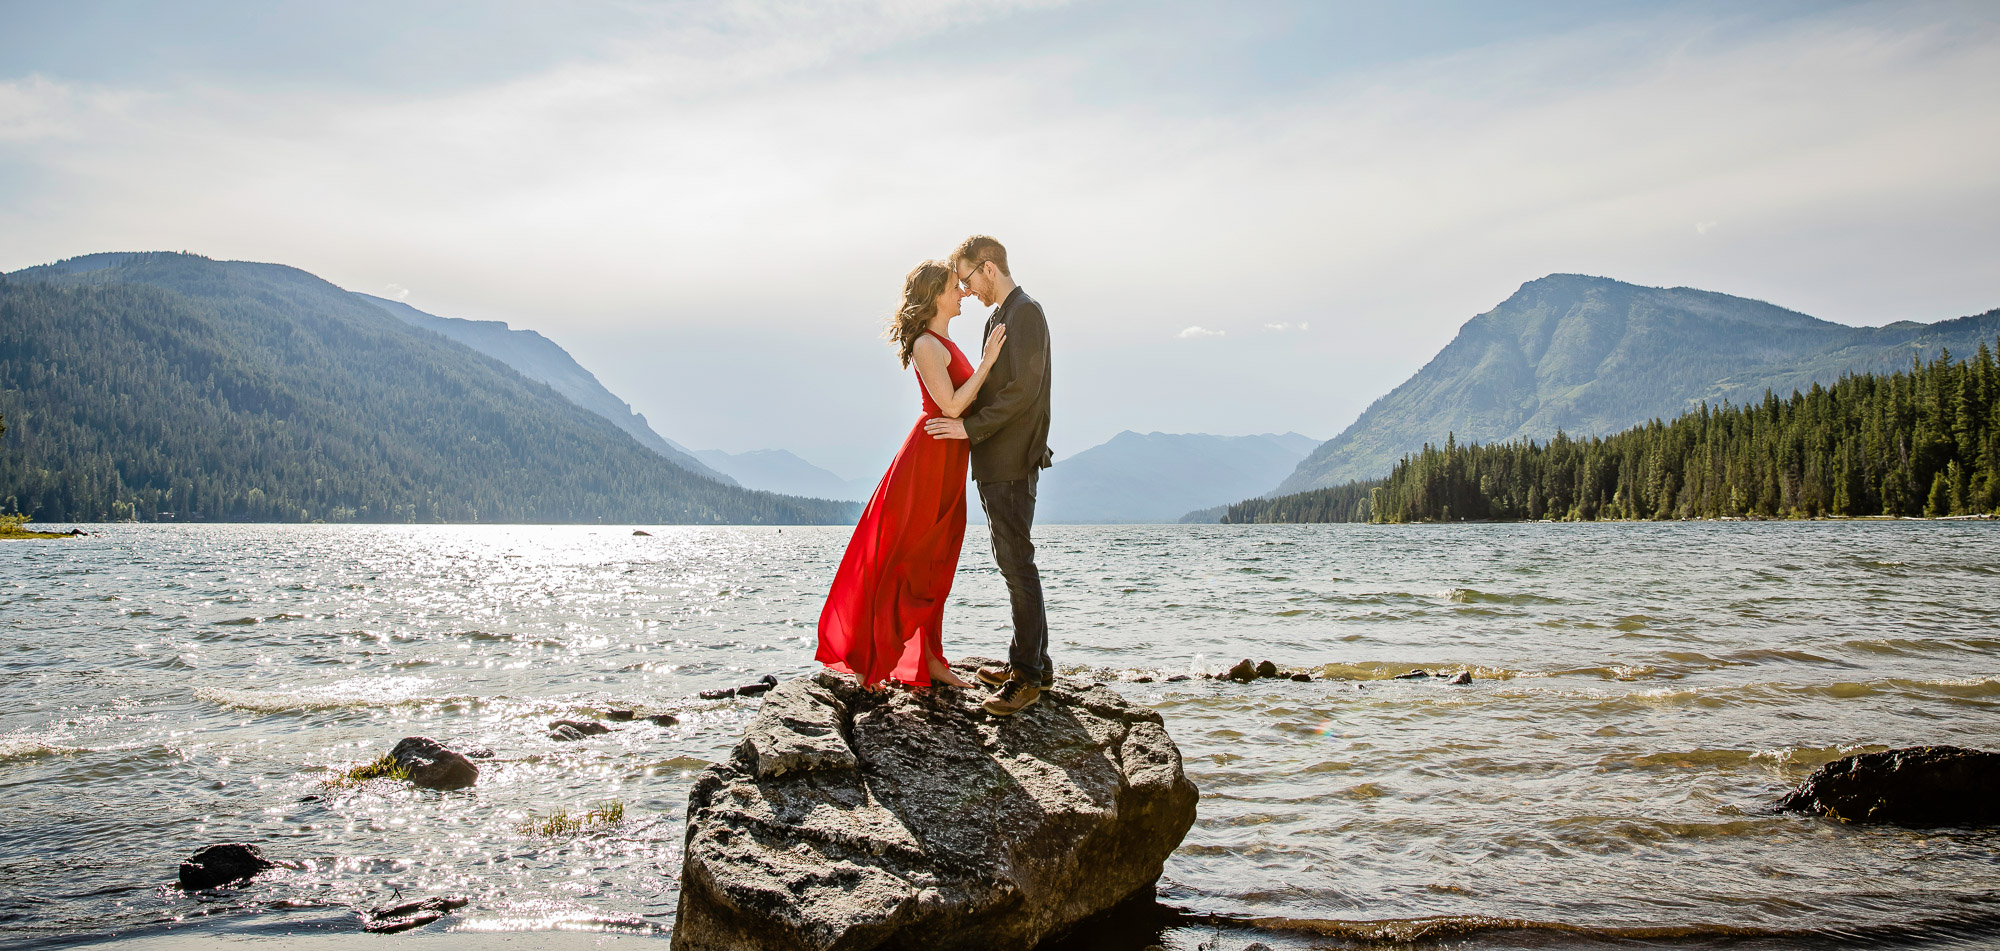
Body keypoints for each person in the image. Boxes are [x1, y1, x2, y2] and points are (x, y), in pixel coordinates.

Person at [816, 260, 1008, 689]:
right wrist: (989, 362)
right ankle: (883, 653)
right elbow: (952, 406)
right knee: (915, 559)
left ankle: (931, 660)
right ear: (935, 295)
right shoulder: (926, 343)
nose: (963, 293)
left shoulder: (944, 341)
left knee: (939, 559)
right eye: (955, 287)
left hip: (950, 459)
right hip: (928, 459)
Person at [924, 235, 1054, 717]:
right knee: (1011, 560)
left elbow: (1025, 390)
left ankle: (1026, 678)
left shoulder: (1026, 314)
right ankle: (1036, 662)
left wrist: (967, 427)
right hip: (993, 459)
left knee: (1017, 561)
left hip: (1014, 460)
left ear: (989, 268)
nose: (967, 288)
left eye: (968, 278)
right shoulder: (998, 320)